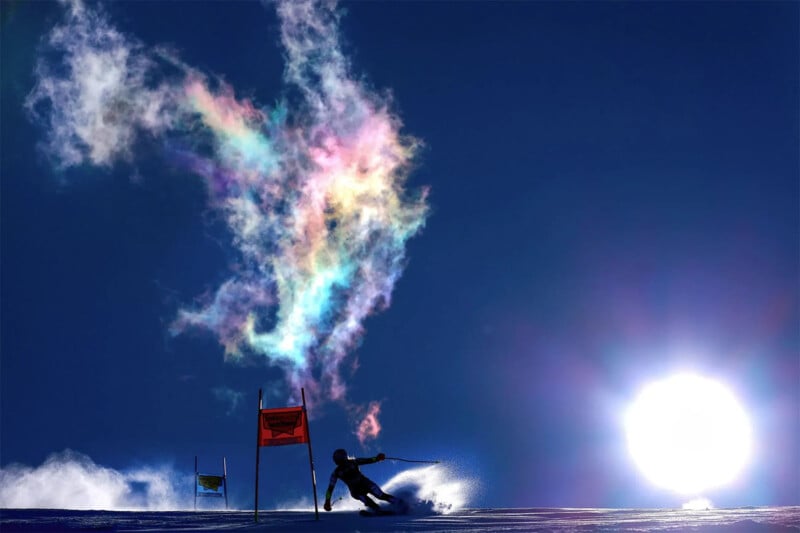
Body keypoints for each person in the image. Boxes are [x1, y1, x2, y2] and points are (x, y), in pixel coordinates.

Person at [323, 448, 397, 512]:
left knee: (380, 495)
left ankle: (397, 502)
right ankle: (376, 508)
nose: (343, 463)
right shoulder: (336, 472)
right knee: (364, 497)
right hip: (356, 490)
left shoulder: (353, 462)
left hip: (365, 483)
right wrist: (327, 502)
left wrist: (377, 458)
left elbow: (368, 460)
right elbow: (330, 489)